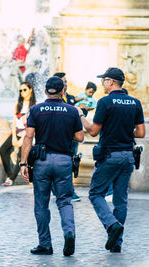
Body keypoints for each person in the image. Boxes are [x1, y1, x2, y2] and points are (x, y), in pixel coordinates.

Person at [78, 67, 145, 253]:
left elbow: (93, 131)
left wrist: (81, 116)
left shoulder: (105, 102)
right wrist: (124, 132)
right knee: (120, 199)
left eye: (104, 81)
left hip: (109, 155)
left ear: (111, 82)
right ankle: (116, 243)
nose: (102, 84)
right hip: (128, 156)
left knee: (95, 194)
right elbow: (141, 133)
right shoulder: (135, 102)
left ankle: (111, 225)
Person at [20, 76, 84, 256]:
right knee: (64, 201)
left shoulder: (36, 110)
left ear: (46, 91)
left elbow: (28, 137)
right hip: (64, 160)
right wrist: (64, 135)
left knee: (41, 203)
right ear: (63, 91)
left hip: (42, 161)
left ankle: (45, 244)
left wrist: (23, 163)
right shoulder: (72, 111)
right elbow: (80, 137)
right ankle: (69, 233)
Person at [53, 72, 83, 201]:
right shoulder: (52, 100)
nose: (66, 84)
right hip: (59, 138)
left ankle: (66, 190)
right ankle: (63, 191)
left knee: (70, 164)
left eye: (66, 81)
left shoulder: (70, 98)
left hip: (71, 138)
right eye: (63, 81)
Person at [0, 82, 36, 186]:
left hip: (28, 134)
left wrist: (24, 136)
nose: (22, 92)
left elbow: (33, 124)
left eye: (24, 90)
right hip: (17, 131)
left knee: (21, 155)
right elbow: (15, 120)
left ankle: (11, 179)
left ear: (30, 90)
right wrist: (14, 136)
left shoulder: (34, 106)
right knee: (2, 150)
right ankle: (10, 174)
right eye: (20, 90)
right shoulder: (18, 104)